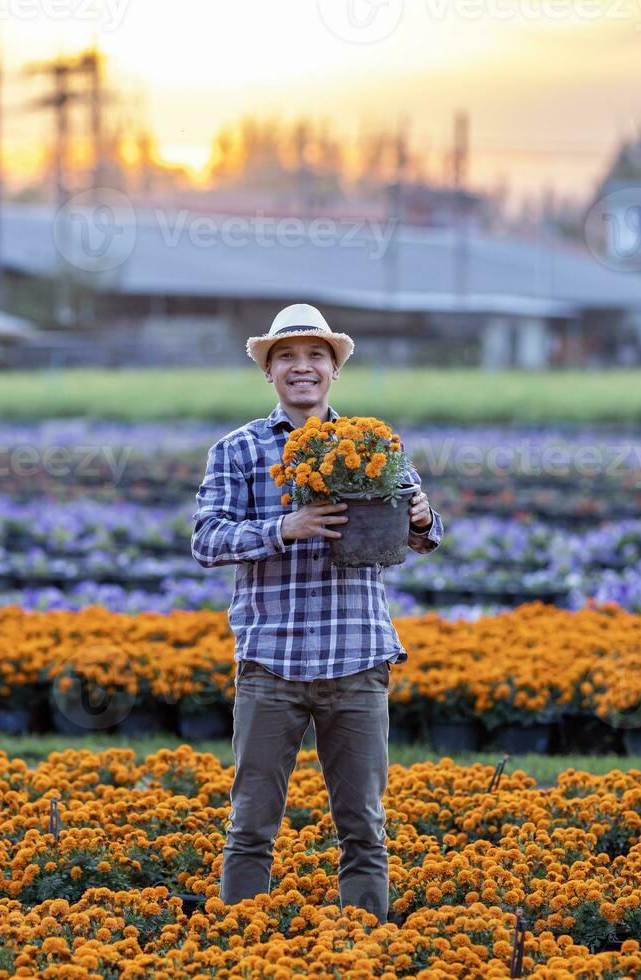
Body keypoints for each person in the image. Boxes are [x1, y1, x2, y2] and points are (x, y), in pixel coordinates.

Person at [191, 302, 444, 925]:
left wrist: (421, 519)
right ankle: (242, 952)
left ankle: (366, 951)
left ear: (333, 371)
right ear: (269, 373)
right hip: (270, 663)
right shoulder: (239, 449)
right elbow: (206, 540)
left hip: (356, 661)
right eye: (287, 358)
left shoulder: (374, 446)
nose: (301, 368)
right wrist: (286, 526)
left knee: (364, 830)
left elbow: (424, 533)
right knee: (251, 826)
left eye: (314, 357)